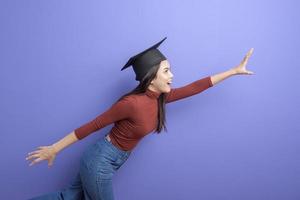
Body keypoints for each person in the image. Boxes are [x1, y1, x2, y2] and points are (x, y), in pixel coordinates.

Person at [26, 37, 254, 200]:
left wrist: (233, 70)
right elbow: (92, 126)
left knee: (67, 197)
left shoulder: (160, 99)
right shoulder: (131, 104)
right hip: (100, 162)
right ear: (150, 77)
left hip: (112, 160)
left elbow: (195, 87)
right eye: (166, 71)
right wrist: (54, 149)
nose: (172, 75)